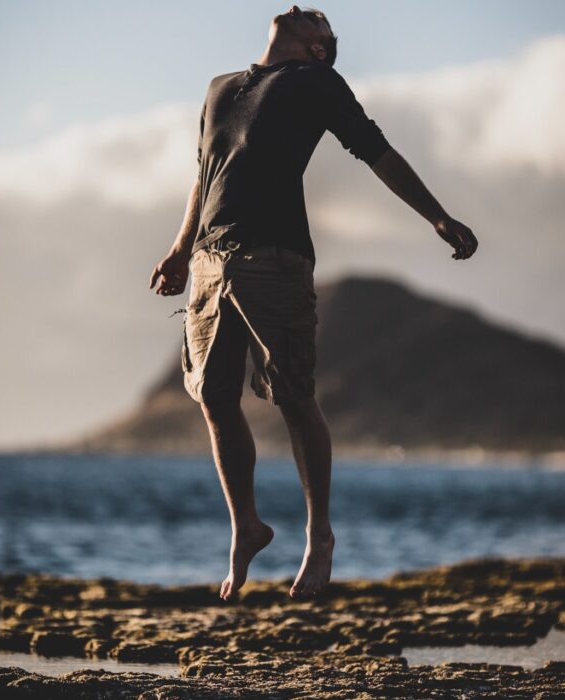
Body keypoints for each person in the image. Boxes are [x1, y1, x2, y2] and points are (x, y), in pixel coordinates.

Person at [149, 5, 478, 602]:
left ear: (317, 48)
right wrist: (178, 249)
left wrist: (438, 215)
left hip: (275, 258)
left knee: (295, 397)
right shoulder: (220, 87)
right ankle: (246, 525)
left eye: (320, 21)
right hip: (207, 265)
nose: (306, 9)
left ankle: (319, 537)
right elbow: (204, 172)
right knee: (214, 397)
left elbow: (377, 151)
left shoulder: (315, 83)